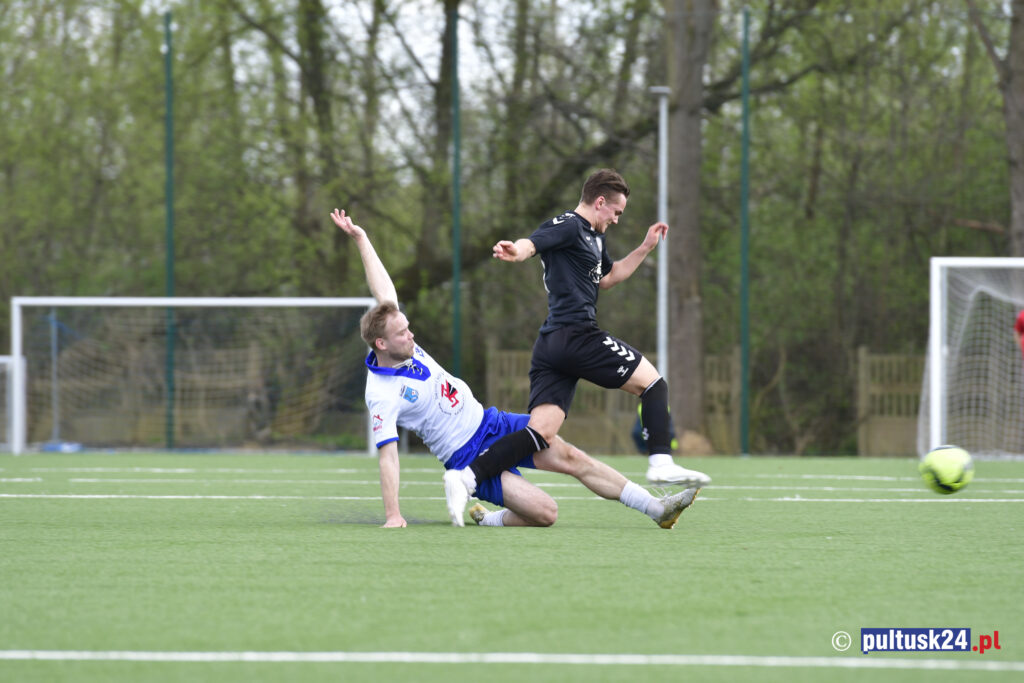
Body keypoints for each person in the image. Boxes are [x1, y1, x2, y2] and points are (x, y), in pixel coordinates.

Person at [331, 208, 699, 529]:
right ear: (381, 344)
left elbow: (385, 291)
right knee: (546, 513)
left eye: (407, 327)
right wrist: (393, 515)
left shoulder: (401, 338)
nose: (411, 335)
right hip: (466, 456)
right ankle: (489, 518)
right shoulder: (380, 393)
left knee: (572, 457)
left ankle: (657, 509)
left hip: (492, 424)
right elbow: (388, 457)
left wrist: (361, 239)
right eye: (401, 333)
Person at [442, 169, 710, 522]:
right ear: (599, 202)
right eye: (616, 212)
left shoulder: (595, 238)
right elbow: (533, 243)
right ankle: (661, 461)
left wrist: (645, 248)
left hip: (553, 345)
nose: (616, 220)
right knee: (653, 384)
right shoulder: (568, 225)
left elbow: (608, 278)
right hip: (576, 335)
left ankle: (466, 477)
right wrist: (517, 250)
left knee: (540, 433)